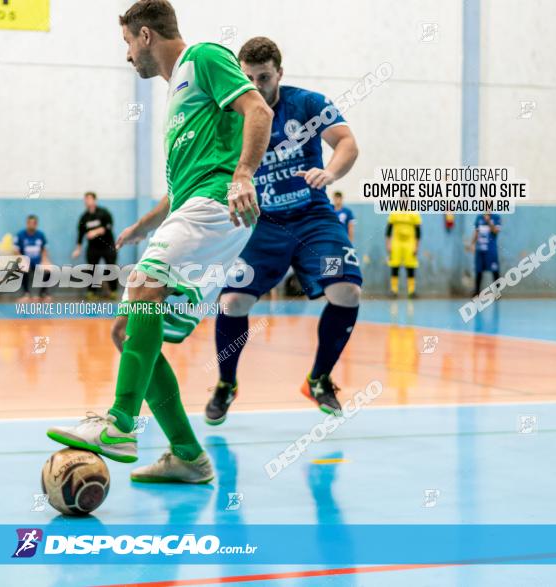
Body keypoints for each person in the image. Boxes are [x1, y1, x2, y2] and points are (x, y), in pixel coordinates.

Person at [47, 0, 272, 484]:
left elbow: (258, 107)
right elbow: (177, 194)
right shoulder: (176, 98)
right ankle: (188, 455)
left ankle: (120, 422)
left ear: (146, 35)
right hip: (197, 206)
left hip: (219, 204)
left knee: (144, 286)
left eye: (128, 43)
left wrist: (244, 174)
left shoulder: (205, 57)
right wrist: (142, 227)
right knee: (127, 331)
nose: (128, 55)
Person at [206, 36, 361, 423]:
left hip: (312, 220)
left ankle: (319, 379)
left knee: (346, 289)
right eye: (248, 78)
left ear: (280, 73)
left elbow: (346, 142)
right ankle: (226, 383)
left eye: (264, 77)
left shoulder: (307, 104)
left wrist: (331, 171)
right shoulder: (232, 114)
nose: (256, 87)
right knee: (232, 302)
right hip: (262, 224)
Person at [72, 192, 118, 298]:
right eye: (85, 199)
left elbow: (108, 227)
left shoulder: (104, 213)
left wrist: (95, 232)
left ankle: (113, 291)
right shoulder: (84, 217)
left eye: (89, 198)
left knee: (111, 267)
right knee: (92, 268)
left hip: (107, 245)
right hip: (93, 247)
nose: (87, 201)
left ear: (94, 200)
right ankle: (92, 292)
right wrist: (78, 249)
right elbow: (80, 234)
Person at [13, 214, 52, 301]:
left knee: (49, 269)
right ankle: (26, 293)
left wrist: (45, 260)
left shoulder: (40, 235)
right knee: (23, 267)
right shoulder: (20, 235)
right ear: (27, 223)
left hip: (37, 261)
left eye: (33, 223)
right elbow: (16, 250)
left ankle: (43, 293)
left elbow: (45, 249)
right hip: (26, 260)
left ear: (36, 224)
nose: (31, 225)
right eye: (29, 223)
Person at [386, 212, 422, 298]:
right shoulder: (394, 213)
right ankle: (394, 291)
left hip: (410, 243)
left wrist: (417, 246)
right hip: (396, 242)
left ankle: (411, 291)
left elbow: (418, 231)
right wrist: (388, 244)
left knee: (410, 266)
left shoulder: (414, 214)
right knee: (394, 265)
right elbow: (389, 230)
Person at [467, 213, 502, 296]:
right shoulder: (479, 217)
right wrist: (472, 244)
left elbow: (496, 231)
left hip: (491, 249)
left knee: (495, 270)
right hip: (480, 249)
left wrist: (489, 221)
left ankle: (497, 292)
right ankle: (477, 291)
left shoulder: (496, 217)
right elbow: (476, 231)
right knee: (478, 270)